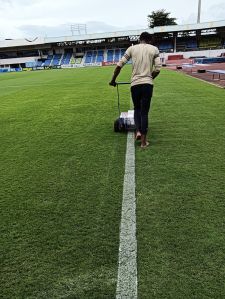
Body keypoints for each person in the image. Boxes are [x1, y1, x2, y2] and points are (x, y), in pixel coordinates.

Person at [109, 31, 161, 148]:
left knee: (137, 109)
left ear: (139, 39)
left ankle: (138, 131)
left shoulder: (131, 49)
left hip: (135, 85)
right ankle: (143, 142)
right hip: (147, 84)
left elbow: (119, 65)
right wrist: (149, 77)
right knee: (144, 112)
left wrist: (113, 80)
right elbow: (157, 69)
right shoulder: (154, 49)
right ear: (149, 40)